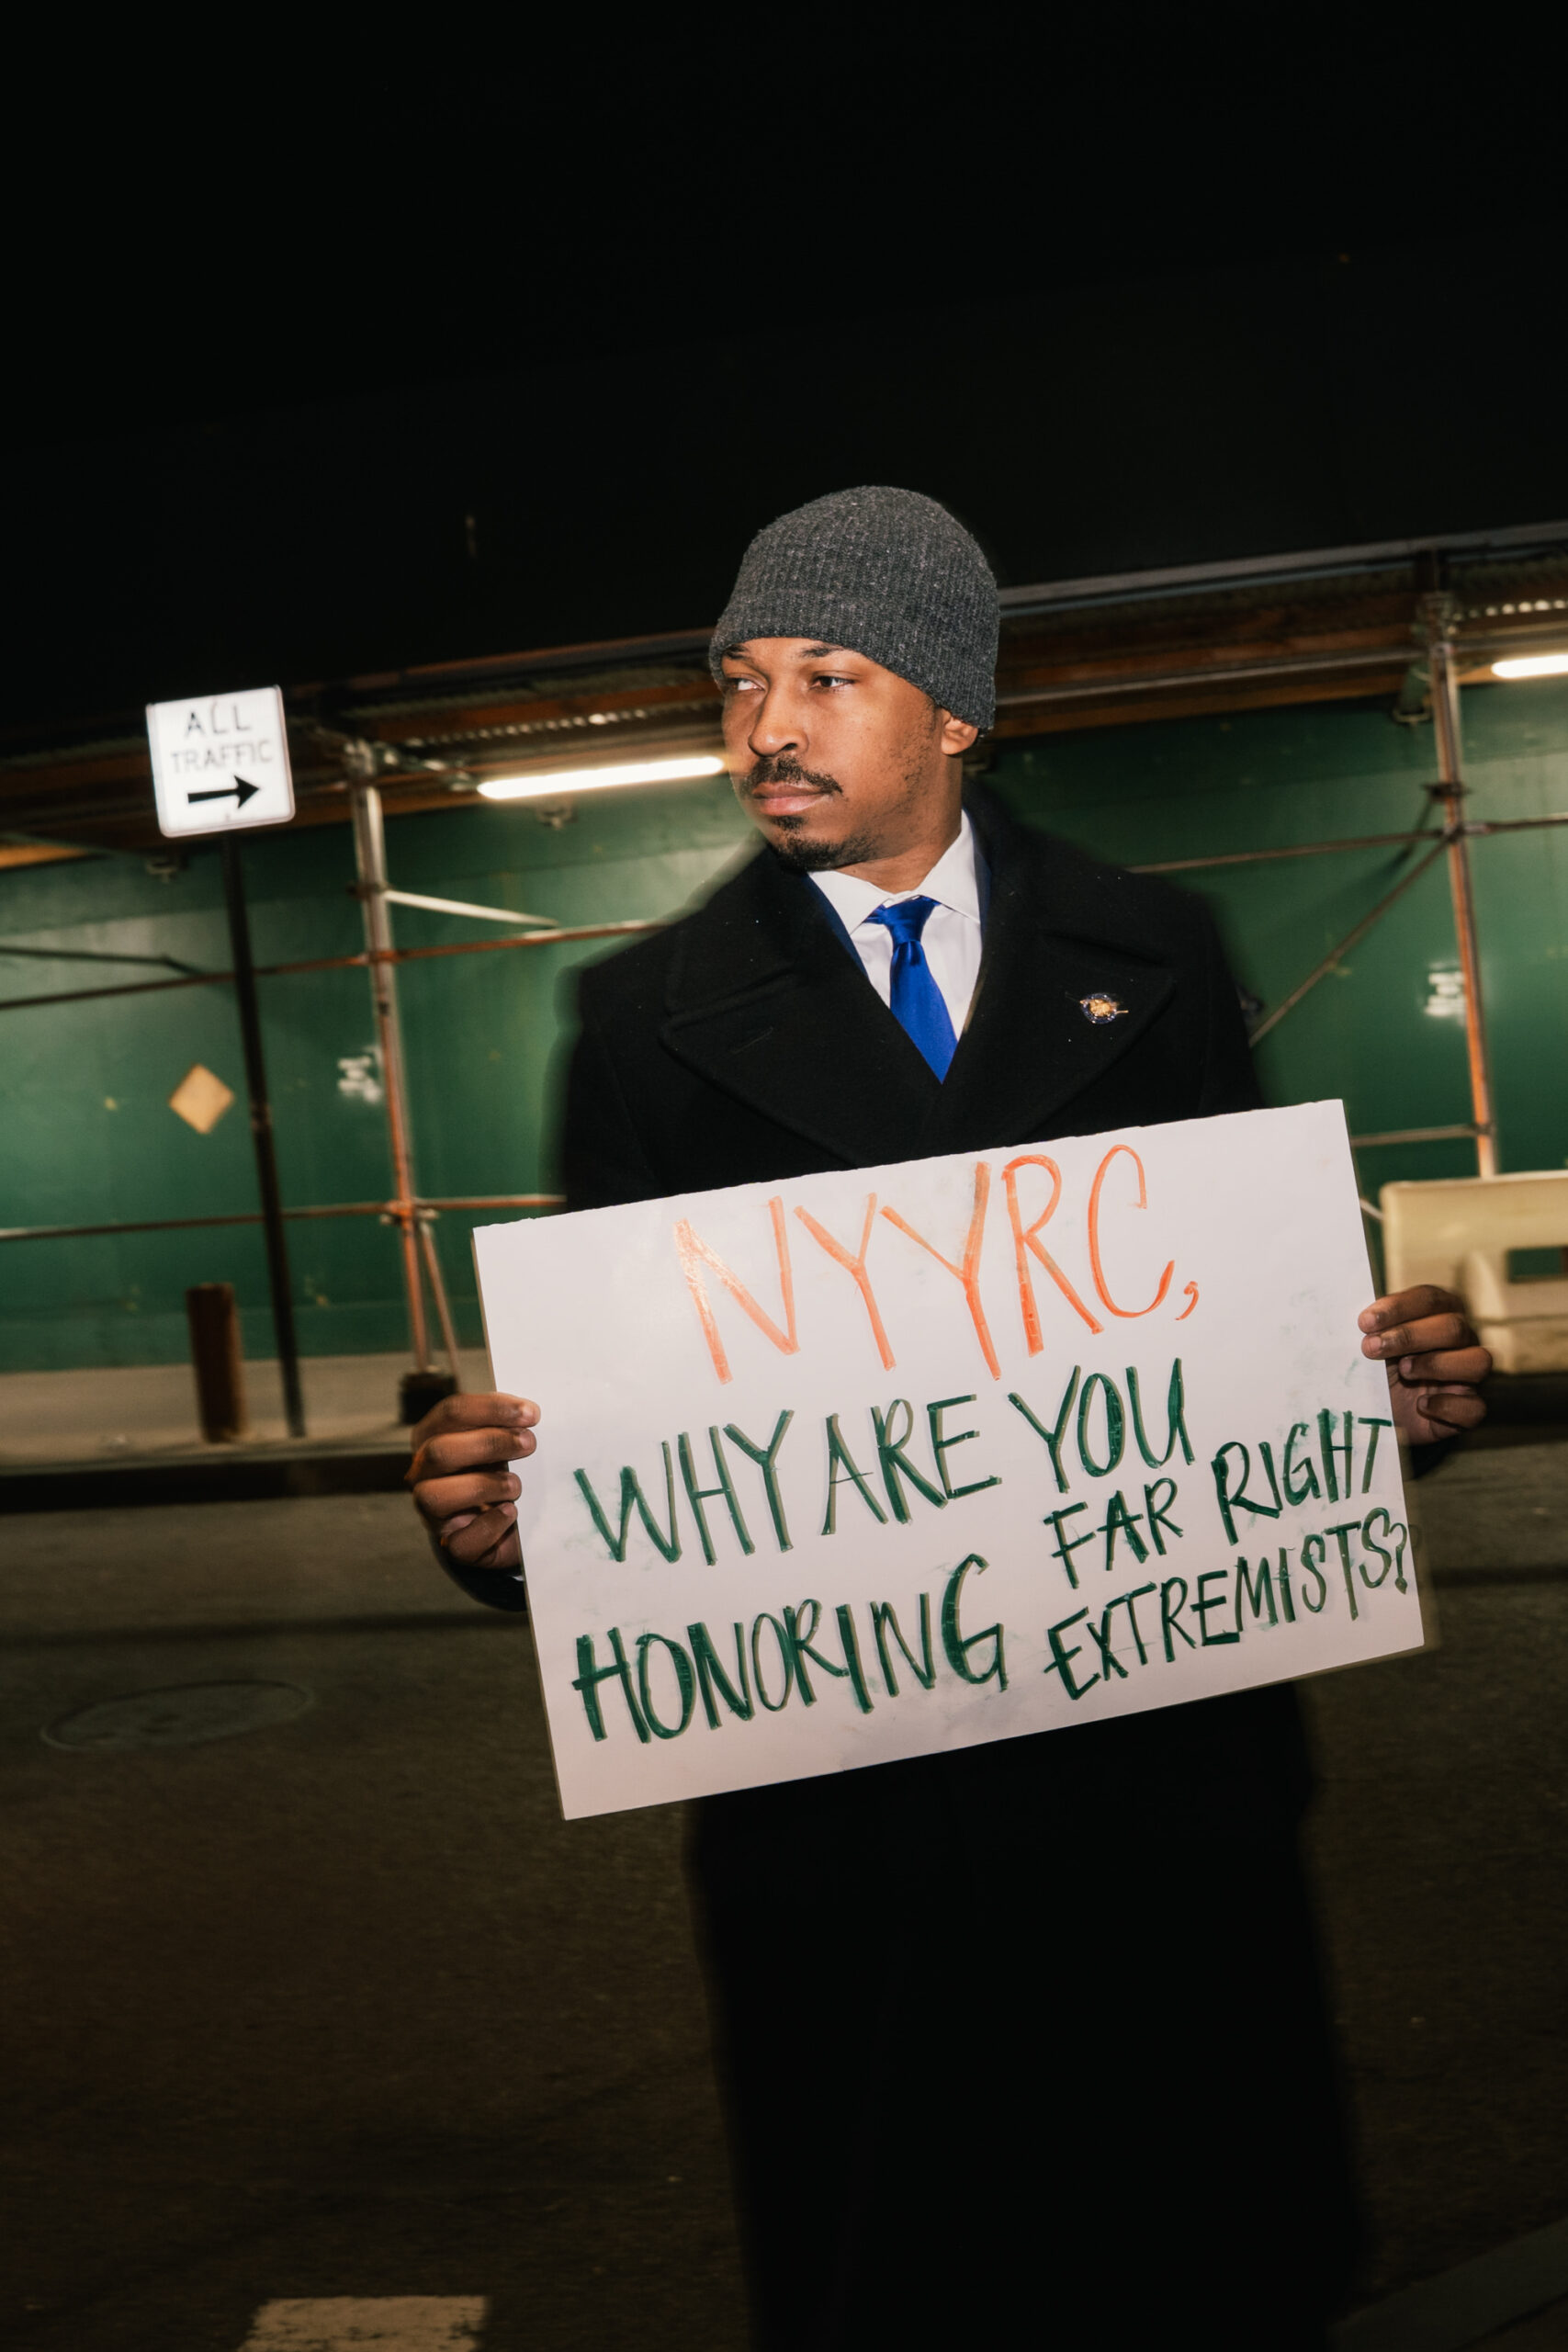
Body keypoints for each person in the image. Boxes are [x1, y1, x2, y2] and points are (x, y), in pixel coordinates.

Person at [410, 488, 1491, 2348]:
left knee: (1205, 2274)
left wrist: (1381, 1395)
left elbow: (1250, 1358)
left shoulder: (1150, 951)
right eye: (739, 679)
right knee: (906, 2277)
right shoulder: (640, 1015)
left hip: (1163, 1821)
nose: (765, 724)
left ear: (954, 704)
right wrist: (513, 1526)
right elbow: (631, 1456)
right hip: (849, 1857)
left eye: (825, 673)